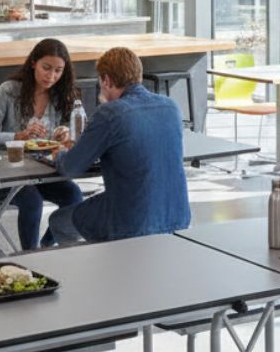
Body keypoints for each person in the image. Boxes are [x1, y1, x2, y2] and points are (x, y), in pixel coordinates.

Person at [48, 46, 190, 244]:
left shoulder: (109, 113)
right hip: (177, 217)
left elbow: (70, 167)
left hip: (130, 222)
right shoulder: (171, 106)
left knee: (58, 221)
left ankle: (85, 271)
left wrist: (60, 152)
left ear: (106, 80)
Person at [0, 37, 84, 249]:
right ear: (33, 63)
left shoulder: (61, 94)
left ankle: (46, 246)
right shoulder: (8, 91)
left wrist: (66, 131)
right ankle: (31, 255)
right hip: (7, 171)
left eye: (58, 71)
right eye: (46, 68)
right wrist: (18, 137)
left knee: (74, 195)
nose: (51, 76)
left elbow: (78, 125)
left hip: (44, 169)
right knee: (32, 201)